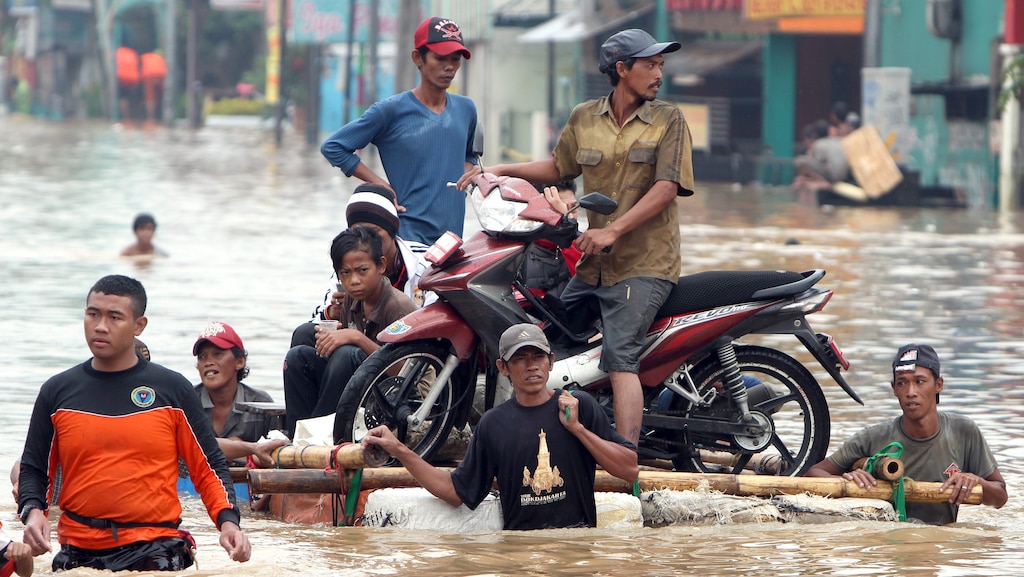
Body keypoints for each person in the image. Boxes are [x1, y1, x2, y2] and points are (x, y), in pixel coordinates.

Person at [457, 29, 694, 446]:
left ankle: (625, 458)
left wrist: (613, 230)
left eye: (660, 65)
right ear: (622, 70)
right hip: (593, 266)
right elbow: (556, 167)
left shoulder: (669, 120)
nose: (658, 73)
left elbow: (667, 187)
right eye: (650, 65)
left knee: (620, 357)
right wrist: (495, 171)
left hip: (644, 265)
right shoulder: (585, 117)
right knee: (548, 341)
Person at [18, 275, 250, 571]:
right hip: (79, 550)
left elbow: (208, 467)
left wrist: (228, 523)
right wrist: (34, 512)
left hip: (157, 549)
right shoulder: (57, 392)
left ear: (139, 325)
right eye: (93, 314)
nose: (101, 326)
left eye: (115, 317)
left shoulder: (172, 390)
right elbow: (34, 468)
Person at [362, 323, 638, 530]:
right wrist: (399, 449)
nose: (531, 366)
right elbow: (456, 492)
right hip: (521, 551)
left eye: (538, 357)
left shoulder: (579, 406)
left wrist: (578, 429)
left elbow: (628, 469)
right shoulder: (493, 424)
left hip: (577, 543)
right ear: (503, 367)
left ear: (551, 361)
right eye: (520, 359)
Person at [806, 344, 1008, 524]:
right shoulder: (872, 437)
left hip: (939, 549)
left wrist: (976, 481)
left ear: (938, 385)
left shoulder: (964, 431)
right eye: (902, 383)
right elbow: (813, 474)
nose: (910, 392)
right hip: (889, 543)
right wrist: (846, 479)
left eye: (920, 381)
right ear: (894, 389)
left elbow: (1000, 497)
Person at [321, 16, 478, 245]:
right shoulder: (390, 111)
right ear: (418, 58)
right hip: (407, 239)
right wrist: (381, 186)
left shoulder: (467, 109)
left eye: (455, 59)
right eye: (440, 58)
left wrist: (468, 173)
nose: (449, 67)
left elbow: (470, 154)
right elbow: (334, 147)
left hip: (452, 242)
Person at [282, 226, 417, 436]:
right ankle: (298, 432)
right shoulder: (352, 298)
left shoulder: (397, 307)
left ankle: (320, 434)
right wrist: (338, 328)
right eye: (346, 273)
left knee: (347, 353)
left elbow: (404, 371)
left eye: (362, 270)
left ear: (381, 265)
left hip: (401, 393)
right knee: (298, 353)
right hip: (361, 382)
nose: (354, 280)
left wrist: (355, 337)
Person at [290, 183, 432, 351]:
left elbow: (435, 320)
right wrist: (334, 312)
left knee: (346, 354)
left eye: (374, 231)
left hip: (407, 350)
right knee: (304, 335)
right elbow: (318, 319)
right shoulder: (347, 266)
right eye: (358, 232)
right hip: (356, 348)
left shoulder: (426, 263)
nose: (367, 240)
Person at [193, 321, 288, 466]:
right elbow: (190, 446)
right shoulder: (188, 400)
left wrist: (237, 450)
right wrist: (246, 448)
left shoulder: (261, 403)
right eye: (202, 357)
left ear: (239, 361)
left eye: (217, 354)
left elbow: (277, 454)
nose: (208, 362)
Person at [140, 51, 167, 123]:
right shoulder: (161, 58)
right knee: (161, 96)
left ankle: (151, 117)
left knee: (150, 99)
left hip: (149, 76)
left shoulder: (145, 57)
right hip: (160, 75)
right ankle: (163, 115)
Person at [115, 45, 140, 122]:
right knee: (130, 97)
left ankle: (125, 117)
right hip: (133, 78)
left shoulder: (118, 51)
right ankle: (131, 115)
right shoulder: (132, 53)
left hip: (122, 77)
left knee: (123, 98)